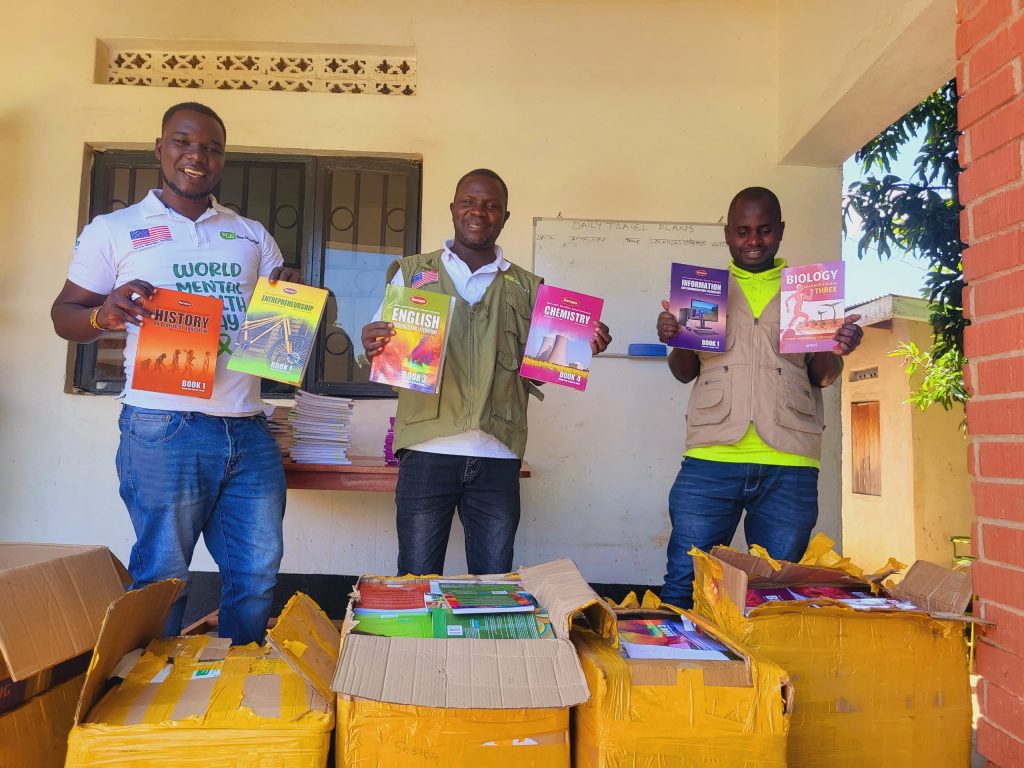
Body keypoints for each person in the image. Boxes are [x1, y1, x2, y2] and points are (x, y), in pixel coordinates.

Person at [51, 102, 301, 644]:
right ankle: (154, 697)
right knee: (165, 576)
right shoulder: (114, 230)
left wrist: (291, 309)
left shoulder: (251, 234)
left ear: (222, 160)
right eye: (184, 142)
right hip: (163, 426)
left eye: (211, 147)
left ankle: (233, 687)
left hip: (247, 425)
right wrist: (104, 313)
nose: (197, 156)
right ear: (160, 149)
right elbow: (64, 316)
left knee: (256, 574)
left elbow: (275, 344)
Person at [361, 169, 611, 576]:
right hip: (427, 451)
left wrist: (582, 348)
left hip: (497, 455)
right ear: (453, 209)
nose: (479, 212)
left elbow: (537, 373)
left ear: (505, 217)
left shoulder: (529, 287)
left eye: (491, 206)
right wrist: (371, 341)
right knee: (416, 582)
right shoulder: (412, 273)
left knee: (493, 587)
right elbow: (385, 353)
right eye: (469, 202)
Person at [656, 186, 863, 609]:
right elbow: (684, 373)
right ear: (728, 234)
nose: (753, 240)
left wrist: (836, 343)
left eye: (764, 230)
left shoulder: (808, 292)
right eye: (743, 231)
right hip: (712, 458)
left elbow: (823, 377)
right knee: (683, 581)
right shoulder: (705, 290)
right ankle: (675, 669)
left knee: (772, 596)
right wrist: (676, 339)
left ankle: (760, 675)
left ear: (780, 231)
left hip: (789, 462)